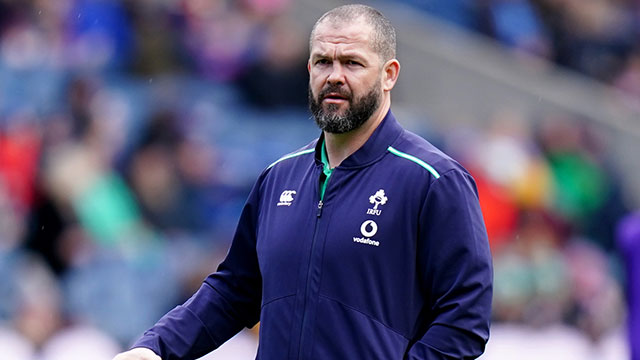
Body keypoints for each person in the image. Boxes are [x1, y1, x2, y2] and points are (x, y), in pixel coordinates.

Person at [113, 4, 493, 360]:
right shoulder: (278, 178)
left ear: (389, 74)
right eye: (323, 62)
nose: (335, 76)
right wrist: (155, 349)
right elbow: (234, 292)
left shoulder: (435, 181)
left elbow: (464, 321)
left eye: (352, 63)